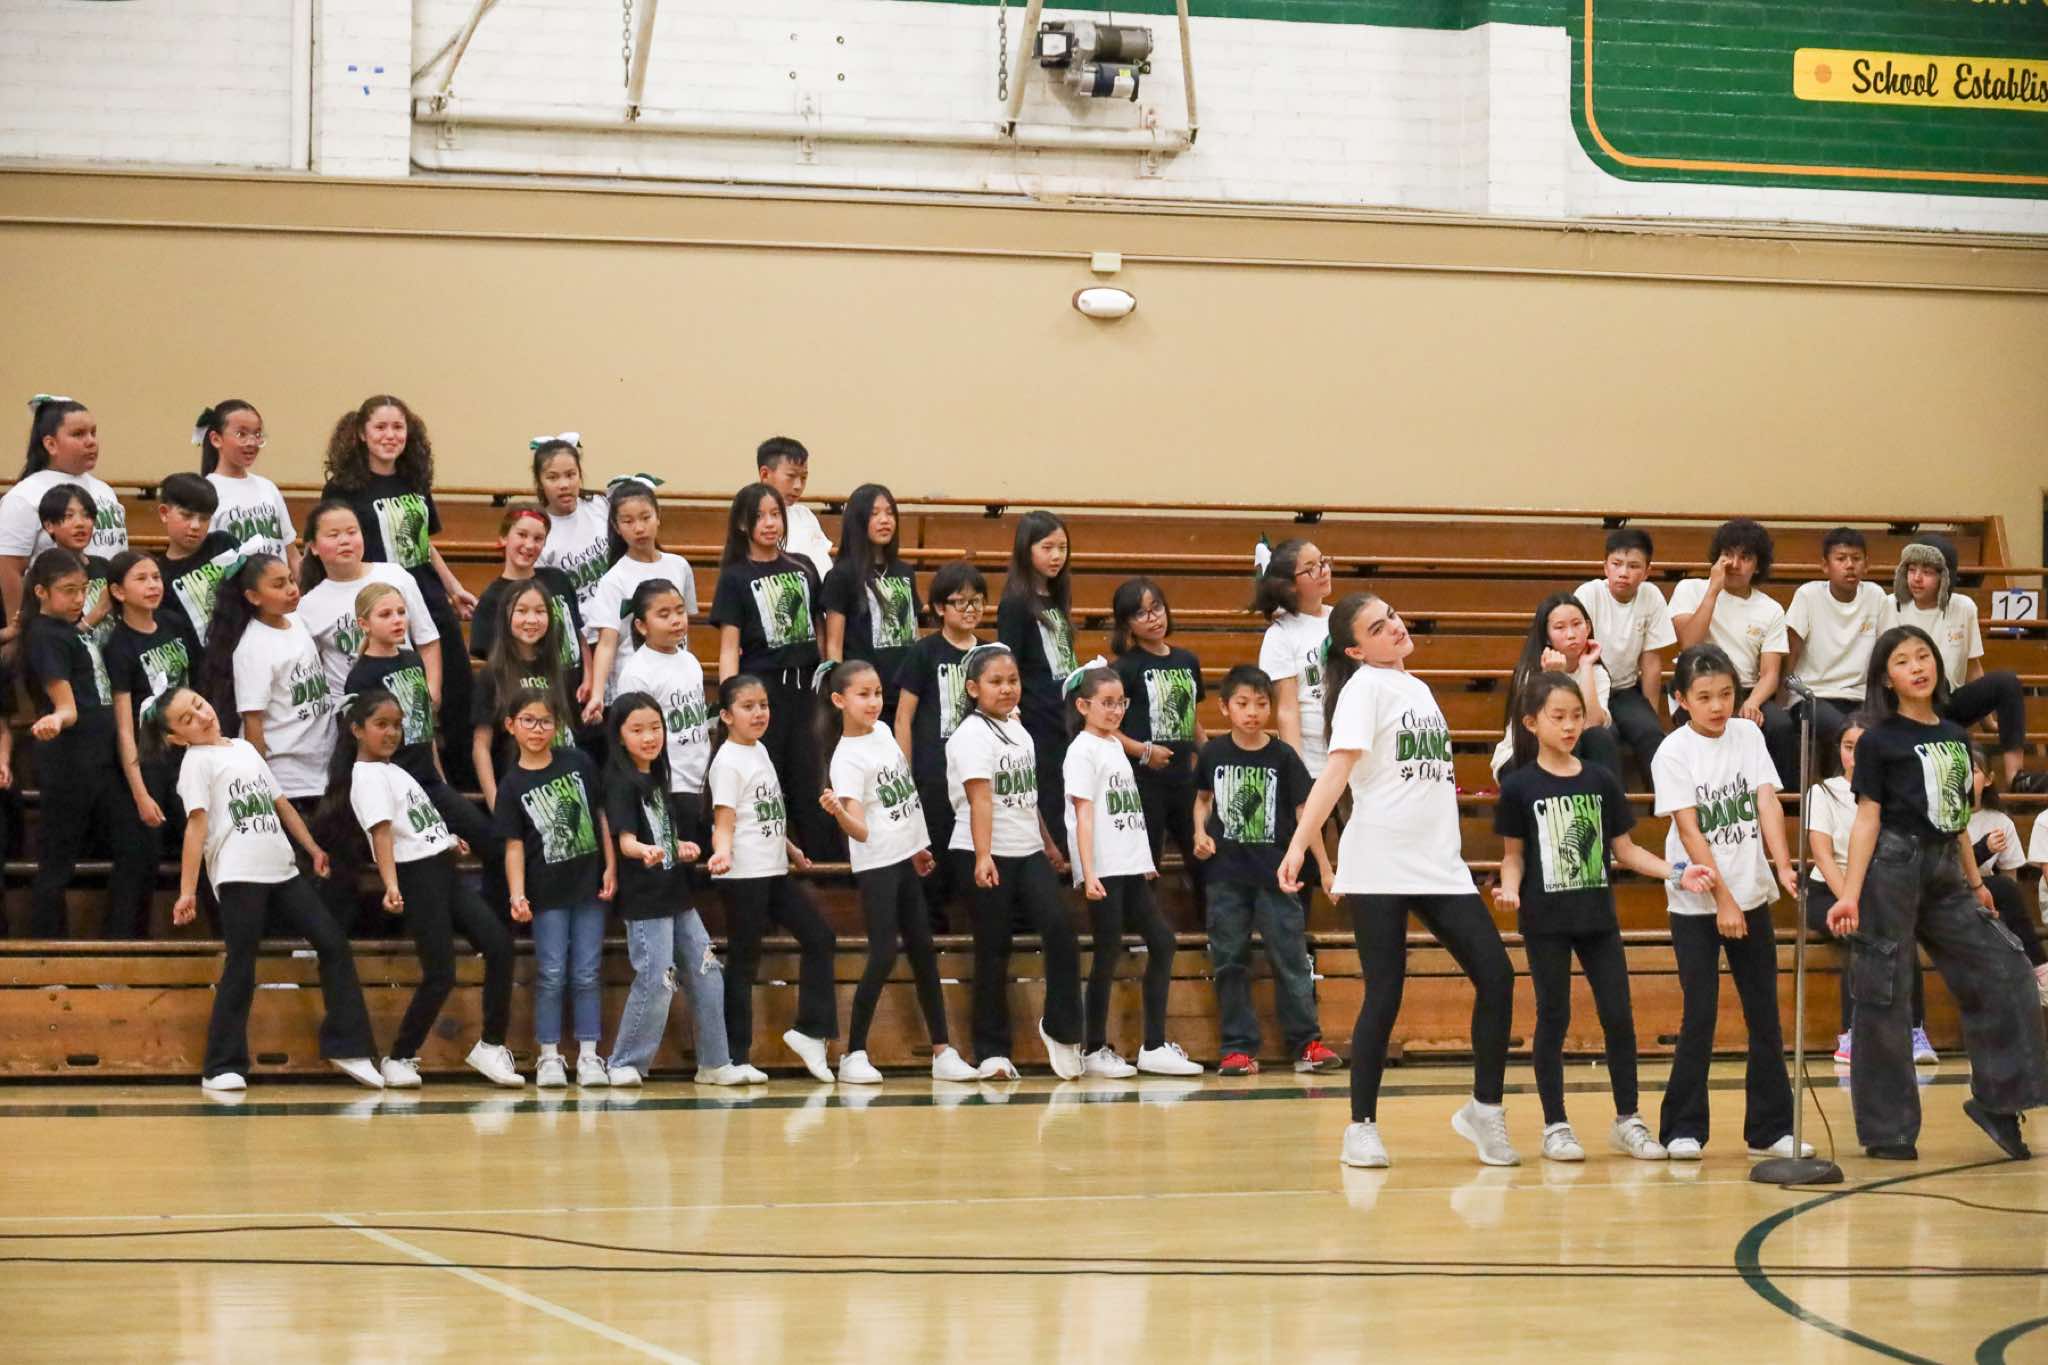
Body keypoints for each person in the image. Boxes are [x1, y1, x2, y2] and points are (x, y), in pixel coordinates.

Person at [1278, 593, 1518, 1170]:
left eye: (1392, 617)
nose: (1395, 627)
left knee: (1498, 975)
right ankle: (1360, 1126)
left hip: (1439, 864)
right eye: (1377, 627)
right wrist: (1300, 846)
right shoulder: (1363, 689)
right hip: (1379, 861)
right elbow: (1335, 773)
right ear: (1356, 650)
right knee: (1384, 992)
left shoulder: (1420, 689)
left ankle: (1485, 1109)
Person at [1823, 625, 2048, 1161]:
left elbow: (1958, 817)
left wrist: (1977, 883)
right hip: (1890, 868)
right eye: (1902, 661)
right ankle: (1888, 1130)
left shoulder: (1955, 734)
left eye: (1923, 656)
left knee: (2007, 969)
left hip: (1947, 867)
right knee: (1885, 995)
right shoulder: (1878, 739)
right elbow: (1867, 818)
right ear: (1887, 678)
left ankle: (1999, 1101)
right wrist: (1849, 893)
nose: (1917, 667)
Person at [1494, 672, 1709, 1163]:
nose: (1570, 726)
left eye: (1576, 716)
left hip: (1598, 920)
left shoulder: (1600, 780)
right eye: (1558, 717)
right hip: (1546, 922)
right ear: (1531, 723)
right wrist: (1508, 888)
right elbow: (1513, 857)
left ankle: (1627, 1118)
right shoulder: (1519, 785)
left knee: (1618, 1015)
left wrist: (1677, 872)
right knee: (1554, 1017)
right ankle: (1555, 1125)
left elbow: (1626, 851)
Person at [149, 685, 380, 1092]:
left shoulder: (243, 748)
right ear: (176, 738)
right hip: (238, 874)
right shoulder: (196, 764)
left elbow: (281, 803)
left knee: (332, 943)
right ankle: (221, 1065)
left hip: (283, 869)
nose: (201, 716)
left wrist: (312, 848)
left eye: (199, 705)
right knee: (242, 963)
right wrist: (187, 891)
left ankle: (348, 1046)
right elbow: (196, 828)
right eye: (187, 719)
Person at [1652, 644, 1805, 1162]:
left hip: (1752, 894)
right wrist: (1723, 899)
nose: (1717, 706)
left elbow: (1766, 801)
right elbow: (1690, 831)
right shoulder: (1672, 752)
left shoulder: (1748, 735)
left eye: (1725, 694)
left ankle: (1770, 1128)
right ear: (1681, 699)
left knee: (1765, 1015)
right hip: (1697, 903)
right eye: (1704, 697)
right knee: (1701, 1014)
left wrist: (1782, 864)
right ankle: (1681, 1128)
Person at [323, 689, 521, 1089]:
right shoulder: (367, 777)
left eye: (397, 725)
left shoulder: (395, 771)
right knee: (441, 972)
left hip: (442, 870)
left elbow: (415, 822)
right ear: (357, 730)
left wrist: (447, 838)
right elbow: (382, 834)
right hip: (417, 877)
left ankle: (490, 1045)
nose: (391, 733)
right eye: (381, 725)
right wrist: (391, 885)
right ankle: (399, 1056)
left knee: (499, 945)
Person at [817, 660, 978, 1083]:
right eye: (863, 695)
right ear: (839, 700)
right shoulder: (846, 759)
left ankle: (942, 1051)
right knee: (884, 953)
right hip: (877, 867)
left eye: (877, 693)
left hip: (905, 857)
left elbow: (904, 797)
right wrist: (838, 814)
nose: (874, 702)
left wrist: (918, 846)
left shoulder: (885, 732)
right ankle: (853, 1053)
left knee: (924, 949)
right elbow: (860, 829)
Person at [945, 643, 1085, 1080]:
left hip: (1028, 851)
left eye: (1012, 681)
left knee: (1061, 932)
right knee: (993, 947)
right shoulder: (970, 735)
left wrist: (1048, 843)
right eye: (996, 682)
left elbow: (1027, 797)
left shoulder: (1019, 731)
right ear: (973, 688)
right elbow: (980, 799)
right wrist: (984, 855)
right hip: (982, 851)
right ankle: (991, 1051)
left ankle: (1061, 1029)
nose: (1006, 689)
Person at [320, 395, 476, 779]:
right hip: (379, 600)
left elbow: (424, 544)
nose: (390, 435)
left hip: (426, 594)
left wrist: (453, 587)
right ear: (361, 433)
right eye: (380, 427)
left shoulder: (414, 480)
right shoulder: (343, 488)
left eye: (398, 427)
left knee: (456, 689)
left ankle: (455, 781)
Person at [1193, 666, 1338, 1077]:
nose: (1252, 712)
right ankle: (1237, 1048)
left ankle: (1306, 1043)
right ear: (1225, 707)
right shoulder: (1213, 754)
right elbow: (1202, 800)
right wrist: (1199, 832)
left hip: (1278, 876)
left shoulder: (1284, 757)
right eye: (1242, 703)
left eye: (1261, 704)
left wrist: (1325, 868)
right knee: (1229, 961)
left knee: (1291, 958)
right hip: (1226, 876)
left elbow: (1306, 815)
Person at [1064, 662, 1202, 1078]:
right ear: (1083, 706)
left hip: (1128, 865)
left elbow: (1126, 811)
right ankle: (1092, 1049)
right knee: (1107, 952)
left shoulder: (1112, 745)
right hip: (1103, 868)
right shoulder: (1082, 751)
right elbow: (1083, 815)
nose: (1115, 710)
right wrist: (1088, 872)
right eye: (1106, 703)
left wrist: (1143, 861)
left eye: (1120, 703)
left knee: (1163, 942)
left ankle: (1153, 1046)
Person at [601, 692, 745, 1087]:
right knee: (657, 979)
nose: (649, 737)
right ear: (620, 736)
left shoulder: (657, 776)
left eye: (655, 728)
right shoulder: (619, 781)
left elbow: (660, 833)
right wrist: (645, 851)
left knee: (707, 971)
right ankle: (624, 1062)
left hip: (676, 894)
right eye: (637, 730)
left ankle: (715, 1062)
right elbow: (626, 841)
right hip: (646, 901)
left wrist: (678, 846)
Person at [200, 555, 346, 926]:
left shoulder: (297, 622)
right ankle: (295, 950)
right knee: (302, 874)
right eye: (278, 585)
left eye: (290, 580)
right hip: (288, 778)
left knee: (333, 869)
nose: (292, 590)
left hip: (321, 766)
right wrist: (263, 785)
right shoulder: (252, 647)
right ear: (253, 596)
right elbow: (253, 724)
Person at [706, 673, 836, 1084]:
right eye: (748, 707)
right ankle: (734, 1057)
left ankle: (810, 1030)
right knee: (744, 962)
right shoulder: (727, 761)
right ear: (727, 716)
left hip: (773, 869)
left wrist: (790, 848)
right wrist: (722, 851)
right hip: (744, 875)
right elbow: (724, 820)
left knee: (820, 937)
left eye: (763, 705)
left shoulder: (760, 750)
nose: (759, 713)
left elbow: (765, 811)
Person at [342, 582, 501, 899]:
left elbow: (424, 730)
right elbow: (363, 748)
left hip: (430, 782)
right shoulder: (360, 678)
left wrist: (442, 781)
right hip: (398, 792)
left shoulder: (413, 660)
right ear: (364, 624)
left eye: (401, 612)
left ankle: (499, 914)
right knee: (433, 869)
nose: (397, 620)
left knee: (493, 841)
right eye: (386, 614)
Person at [19, 548, 149, 937]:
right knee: (57, 863)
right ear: (41, 592)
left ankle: (122, 944)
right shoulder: (45, 636)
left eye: (83, 589)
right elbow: (68, 707)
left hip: (102, 758)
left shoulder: (67, 628)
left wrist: (98, 608)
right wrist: (56, 719)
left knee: (134, 845)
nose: (79, 599)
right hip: (71, 763)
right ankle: (48, 956)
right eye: (68, 591)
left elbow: (82, 627)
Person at [492, 688, 615, 1089]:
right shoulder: (511, 785)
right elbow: (513, 846)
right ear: (511, 725)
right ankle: (548, 1055)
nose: (537, 729)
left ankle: (590, 1054)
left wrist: (611, 866)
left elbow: (599, 815)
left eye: (545, 721)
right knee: (551, 973)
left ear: (557, 725)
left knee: (587, 971)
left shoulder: (578, 762)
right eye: (528, 720)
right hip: (546, 893)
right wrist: (517, 894)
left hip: (588, 886)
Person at [708, 483, 835, 854]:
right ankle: (768, 858)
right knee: (766, 777)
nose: (769, 523)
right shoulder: (735, 576)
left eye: (775, 514)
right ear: (743, 524)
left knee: (811, 777)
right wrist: (732, 701)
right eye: (760, 516)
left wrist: (826, 678)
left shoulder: (803, 566)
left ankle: (824, 866)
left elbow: (820, 628)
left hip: (806, 689)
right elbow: (729, 646)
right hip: (763, 690)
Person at [1805, 721, 1936, 1068]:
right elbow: (1822, 855)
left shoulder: (1891, 791)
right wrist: (1850, 899)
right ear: (1839, 751)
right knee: (1859, 933)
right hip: (1830, 891)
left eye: (1863, 747)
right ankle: (1852, 1033)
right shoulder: (1823, 792)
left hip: (1881, 888)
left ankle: (1914, 1030)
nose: (1855, 755)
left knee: (1902, 935)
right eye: (1849, 747)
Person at [1882, 536, 2031, 789]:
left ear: (1945, 577)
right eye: (1911, 569)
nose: (1916, 578)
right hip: (1906, 705)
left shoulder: (1964, 607)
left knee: (2007, 682)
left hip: (1949, 701)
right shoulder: (1890, 605)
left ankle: (2016, 777)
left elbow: (1972, 666)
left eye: (1927, 572)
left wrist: (1988, 722)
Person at [104, 551, 199, 937]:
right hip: (147, 762)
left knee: (206, 846)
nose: (152, 585)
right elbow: (125, 728)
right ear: (118, 591)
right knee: (139, 860)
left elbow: (196, 689)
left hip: (188, 755)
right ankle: (124, 950)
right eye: (141, 579)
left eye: (156, 577)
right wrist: (141, 793)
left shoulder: (174, 623)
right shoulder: (118, 645)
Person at [1669, 518, 1798, 786]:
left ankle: (1783, 804)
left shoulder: (1770, 609)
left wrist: (1753, 702)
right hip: (1698, 689)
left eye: (1745, 557)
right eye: (1728, 554)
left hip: (1747, 691)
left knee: (1781, 726)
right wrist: (1713, 591)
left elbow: (1770, 673)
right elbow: (1689, 644)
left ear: (1758, 566)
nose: (1734, 564)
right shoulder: (1690, 589)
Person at [894, 560, 985, 927]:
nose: (970, 609)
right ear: (939, 608)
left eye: (976, 600)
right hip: (934, 772)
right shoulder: (925, 652)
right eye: (960, 601)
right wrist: (905, 773)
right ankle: (932, 929)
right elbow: (904, 716)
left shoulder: (992, 653)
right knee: (933, 854)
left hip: (978, 773)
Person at [1111, 577, 1207, 911]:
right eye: (1141, 613)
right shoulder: (1124, 668)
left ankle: (1211, 926)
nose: (1153, 618)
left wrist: (1206, 753)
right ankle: (1140, 929)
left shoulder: (1187, 660)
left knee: (1203, 857)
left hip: (1184, 780)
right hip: (1142, 783)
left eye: (1157, 608)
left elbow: (1191, 717)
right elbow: (1106, 729)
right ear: (1127, 624)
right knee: (1146, 862)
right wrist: (1143, 751)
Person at [296, 499, 442, 707]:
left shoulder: (395, 575)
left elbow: (427, 639)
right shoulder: (308, 606)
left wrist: (432, 690)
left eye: (352, 532)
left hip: (407, 703)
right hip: (353, 711)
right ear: (313, 547)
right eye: (333, 535)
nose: (344, 541)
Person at [1, 396, 126, 630]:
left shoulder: (105, 490)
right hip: (57, 623)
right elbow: (10, 569)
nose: (91, 442)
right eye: (78, 434)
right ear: (51, 444)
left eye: (93, 433)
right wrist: (17, 629)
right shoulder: (25, 496)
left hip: (107, 619)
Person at [995, 510, 1078, 856]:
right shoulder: (1016, 602)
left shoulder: (1057, 597)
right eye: (1047, 547)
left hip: (1065, 713)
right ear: (1026, 549)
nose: (1056, 556)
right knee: (1047, 795)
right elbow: (1009, 661)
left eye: (1062, 547)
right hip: (1036, 716)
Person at [584, 476, 697, 714]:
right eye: (628, 521)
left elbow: (686, 624)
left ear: (658, 516)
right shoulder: (614, 580)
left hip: (676, 685)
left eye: (646, 517)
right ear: (616, 527)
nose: (639, 528)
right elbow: (606, 643)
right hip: (636, 687)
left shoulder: (679, 566)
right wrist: (597, 695)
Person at [471, 504, 590, 718]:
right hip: (532, 707)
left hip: (574, 698)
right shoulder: (491, 598)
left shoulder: (558, 579)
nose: (529, 545)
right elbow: (494, 665)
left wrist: (589, 680)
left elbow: (580, 635)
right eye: (522, 535)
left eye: (538, 538)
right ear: (504, 537)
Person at [473, 582, 580, 810]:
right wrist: (496, 804)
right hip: (521, 791)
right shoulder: (492, 674)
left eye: (540, 611)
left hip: (563, 785)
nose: (531, 620)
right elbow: (481, 747)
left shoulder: (559, 670)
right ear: (506, 617)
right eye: (521, 611)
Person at [1574, 529, 1673, 773]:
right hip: (1590, 686)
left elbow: (1651, 662)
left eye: (1633, 566)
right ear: (1605, 567)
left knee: (1650, 733)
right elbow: (1575, 652)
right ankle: (1612, 797)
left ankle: (1660, 798)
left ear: (1647, 571)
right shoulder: (1588, 594)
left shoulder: (1652, 596)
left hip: (1626, 689)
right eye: (1616, 564)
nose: (1623, 573)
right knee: (1604, 736)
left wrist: (1649, 713)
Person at [1492, 593, 1618, 781]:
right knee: (1568, 737)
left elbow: (1592, 724)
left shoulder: (1596, 672)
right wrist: (1555, 678)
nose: (1571, 634)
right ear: (1547, 636)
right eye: (1560, 627)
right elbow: (1542, 730)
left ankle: (1607, 798)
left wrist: (1586, 666)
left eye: (1577, 624)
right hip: (1521, 757)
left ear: (1588, 627)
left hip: (1569, 749)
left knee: (1598, 737)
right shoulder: (1531, 671)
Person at [1785, 527, 1886, 759]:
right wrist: (1784, 700)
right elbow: (1791, 651)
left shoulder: (1876, 595)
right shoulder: (1808, 595)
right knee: (1849, 732)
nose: (1850, 565)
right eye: (1841, 559)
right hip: (1812, 696)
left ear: (1866, 564)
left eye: (1856, 559)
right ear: (1825, 565)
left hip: (1860, 697)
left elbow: (1885, 650)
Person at [820, 483, 918, 722]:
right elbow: (834, 645)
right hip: (863, 695)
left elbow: (913, 632)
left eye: (890, 513)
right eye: (875, 514)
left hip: (904, 691)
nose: (885, 520)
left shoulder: (905, 572)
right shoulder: (841, 575)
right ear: (858, 520)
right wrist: (839, 693)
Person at [1967, 746, 2048, 1003]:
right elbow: (1946, 868)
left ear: (1989, 779)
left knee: (2003, 894)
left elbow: (2010, 881)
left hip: (1986, 894)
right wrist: (1983, 849)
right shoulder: (1942, 818)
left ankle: (2034, 976)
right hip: (1947, 889)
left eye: (1973, 771)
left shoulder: (2000, 821)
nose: (1966, 777)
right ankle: (2040, 966)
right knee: (2001, 888)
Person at [1253, 538, 1334, 780]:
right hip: (1314, 762)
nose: (1323, 570)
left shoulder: (1343, 618)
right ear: (1289, 586)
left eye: (1323, 562)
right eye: (1311, 568)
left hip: (1356, 757)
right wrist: (1296, 773)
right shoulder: (1281, 635)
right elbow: (1287, 710)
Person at [195, 399, 297, 572]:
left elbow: (292, 554)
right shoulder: (205, 492)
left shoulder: (268, 487)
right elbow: (206, 563)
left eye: (257, 434)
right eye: (241, 434)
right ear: (216, 439)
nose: (251, 442)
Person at [529, 435, 611, 625]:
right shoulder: (538, 530)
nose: (564, 485)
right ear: (540, 482)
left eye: (570, 474)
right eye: (552, 477)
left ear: (580, 475)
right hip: (578, 630)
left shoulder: (599, 505)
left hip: (616, 619)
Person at [152, 473, 240, 649]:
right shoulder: (159, 575)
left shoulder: (223, 543)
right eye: (186, 516)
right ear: (164, 513)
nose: (195, 526)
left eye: (204, 519)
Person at [757, 435, 833, 578]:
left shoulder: (805, 514)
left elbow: (823, 560)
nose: (798, 486)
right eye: (791, 476)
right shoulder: (751, 514)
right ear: (765, 475)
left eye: (803, 477)